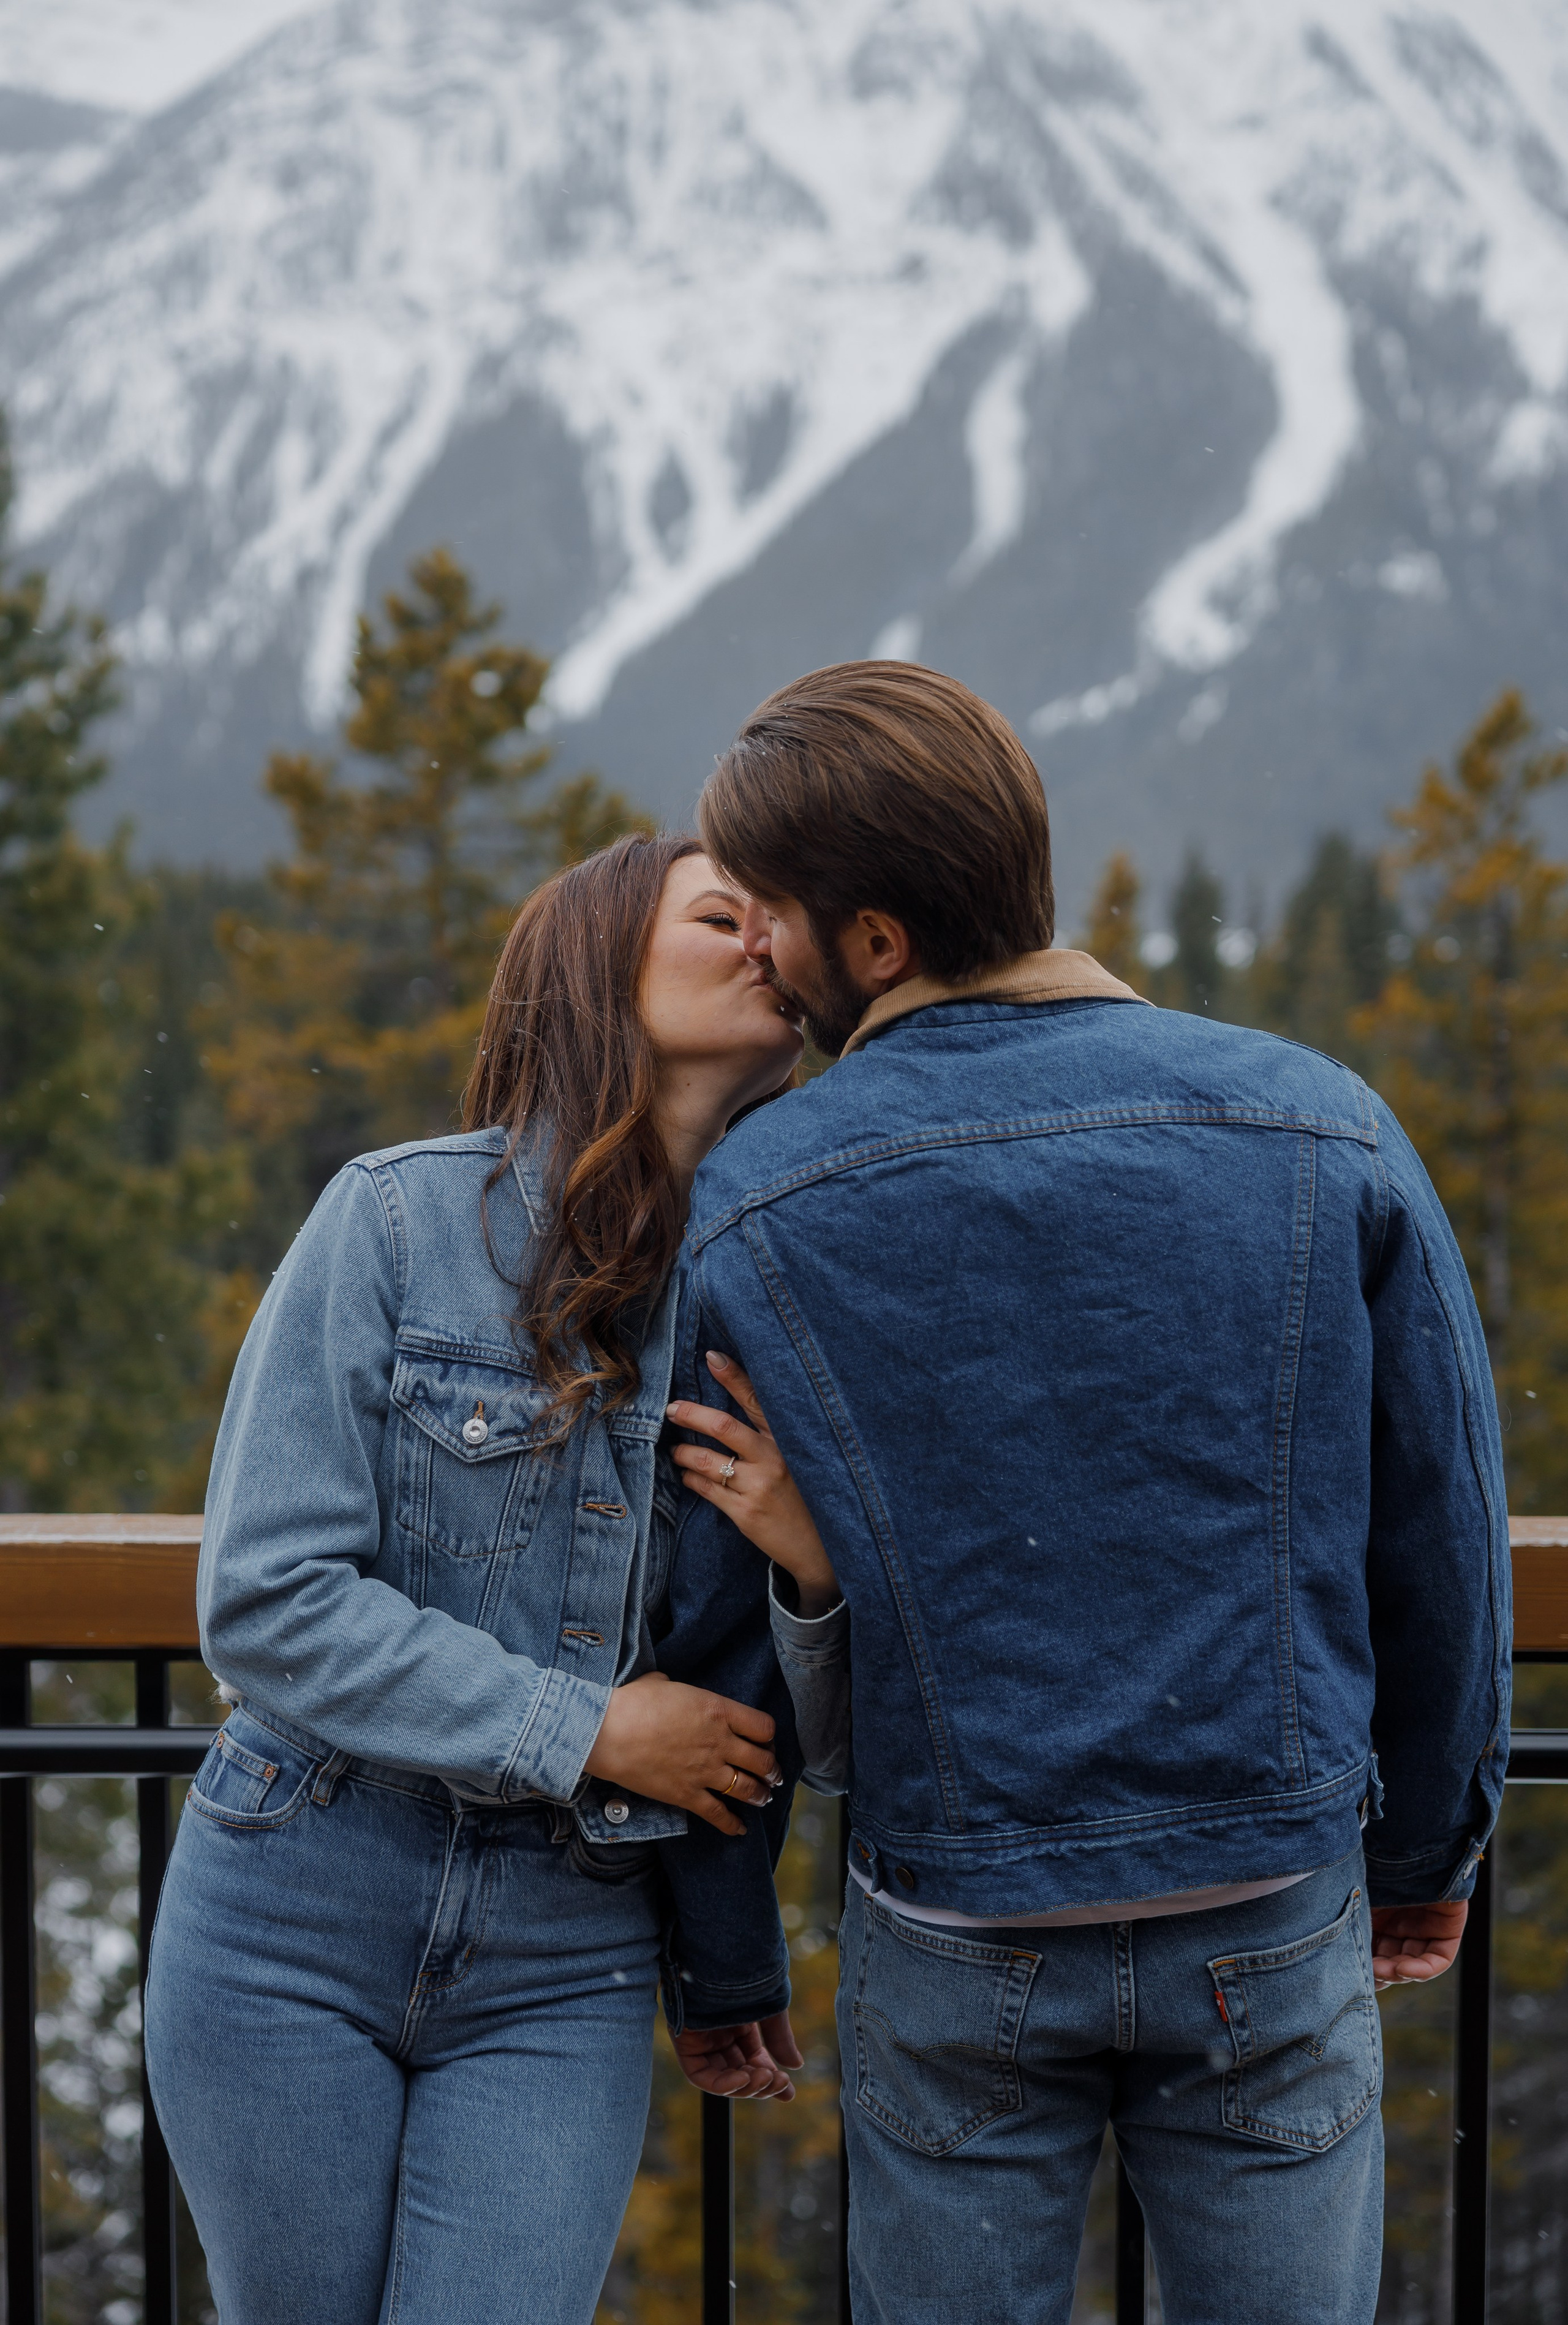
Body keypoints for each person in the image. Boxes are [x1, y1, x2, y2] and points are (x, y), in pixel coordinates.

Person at [662, 661, 1511, 2325]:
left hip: (955, 1921)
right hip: (1260, 1900)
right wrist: (1428, 1840)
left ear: (877, 940)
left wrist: (724, 1943)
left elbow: (715, 1602)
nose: (751, 944)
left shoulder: (762, 1197)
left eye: (768, 911)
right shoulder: (1320, 1124)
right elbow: (1441, 1531)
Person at [144, 834, 815, 2325]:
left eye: (777, 923)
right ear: (599, 960)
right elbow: (266, 1596)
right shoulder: (392, 1220)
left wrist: (812, 1561)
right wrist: (588, 1725)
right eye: (722, 915)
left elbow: (784, 1684)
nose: (764, 943)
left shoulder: (781, 1282)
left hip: (569, 1946)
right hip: (294, 1901)